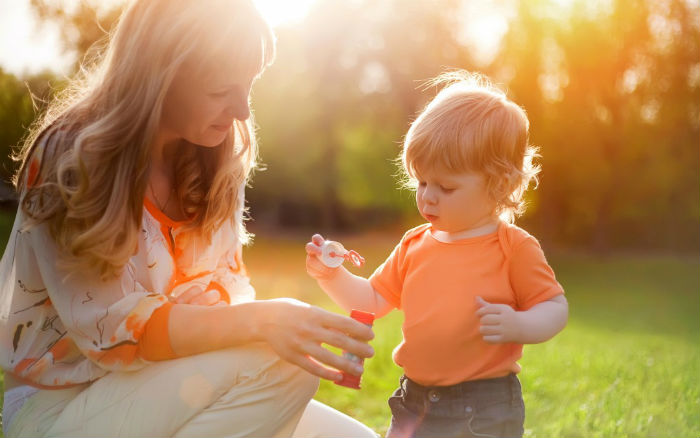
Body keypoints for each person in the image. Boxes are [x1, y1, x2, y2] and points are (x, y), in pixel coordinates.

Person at [0, 0, 378, 437]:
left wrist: (279, 323)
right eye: (220, 91)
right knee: (279, 367)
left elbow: (225, 292)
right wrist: (265, 320)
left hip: (172, 384)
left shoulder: (217, 155)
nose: (242, 110)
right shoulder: (74, 156)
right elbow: (112, 333)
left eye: (249, 85)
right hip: (60, 406)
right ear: (160, 76)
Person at [305, 71, 569, 438]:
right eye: (422, 182)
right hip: (415, 401)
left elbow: (555, 308)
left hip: (484, 407)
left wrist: (519, 324)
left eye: (445, 187)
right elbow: (372, 299)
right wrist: (331, 275)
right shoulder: (415, 244)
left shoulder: (513, 247)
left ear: (500, 185)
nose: (427, 196)